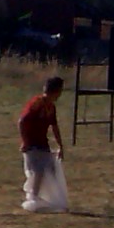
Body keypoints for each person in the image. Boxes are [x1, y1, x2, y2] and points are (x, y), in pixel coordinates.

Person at [18, 73, 68, 212]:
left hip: (42, 143)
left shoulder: (51, 107)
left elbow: (54, 127)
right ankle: (33, 197)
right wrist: (25, 141)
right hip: (32, 143)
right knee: (38, 171)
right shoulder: (37, 104)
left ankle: (45, 197)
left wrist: (60, 145)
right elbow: (22, 122)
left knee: (50, 169)